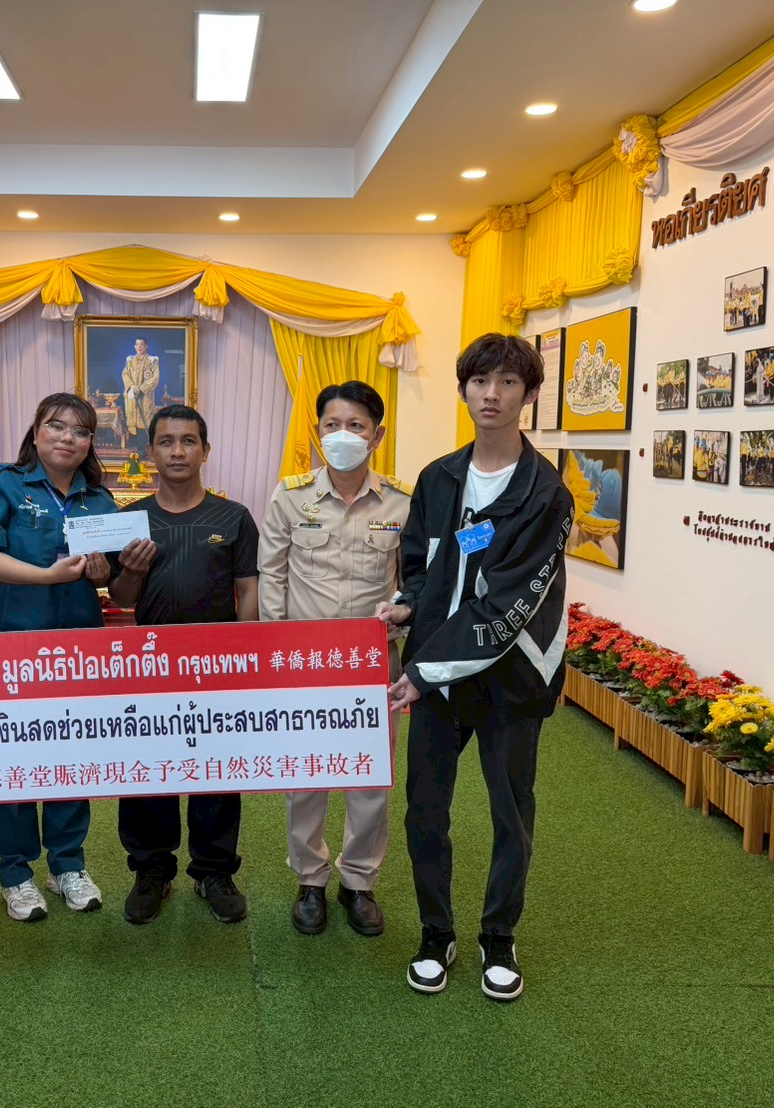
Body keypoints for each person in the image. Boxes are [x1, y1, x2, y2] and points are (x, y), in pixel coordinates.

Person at [378, 332, 574, 1000]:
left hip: (509, 676)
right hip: (436, 673)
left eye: (508, 382)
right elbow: (421, 560)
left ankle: (498, 936)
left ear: (529, 394)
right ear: (463, 389)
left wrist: (423, 669)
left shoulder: (545, 492)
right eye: (480, 381)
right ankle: (437, 933)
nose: (492, 395)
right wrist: (409, 602)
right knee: (425, 810)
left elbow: (507, 601)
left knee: (509, 813)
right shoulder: (439, 477)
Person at [258, 379, 411, 938]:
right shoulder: (290, 496)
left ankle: (359, 881)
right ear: (318, 431)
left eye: (356, 426)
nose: (343, 435)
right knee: (307, 776)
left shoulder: (401, 501)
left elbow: (414, 581)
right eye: (332, 425)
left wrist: (404, 617)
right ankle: (310, 879)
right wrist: (274, 654)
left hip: (373, 663)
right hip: (306, 663)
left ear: (377, 436)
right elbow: (271, 575)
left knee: (370, 778)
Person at [0, 392, 118, 922]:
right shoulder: (0, 485)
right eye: (57, 426)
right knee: (14, 760)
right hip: (13, 647)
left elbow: (113, 577)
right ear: (35, 432)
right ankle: (15, 871)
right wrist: (46, 577)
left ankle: (67, 863)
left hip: (79, 651)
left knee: (73, 757)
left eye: (81, 431)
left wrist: (103, 575)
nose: (68, 438)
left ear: (91, 442)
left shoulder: (100, 500)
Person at [107, 404, 259, 925]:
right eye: (167, 442)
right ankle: (152, 869)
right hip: (151, 667)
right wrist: (131, 571)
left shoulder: (233, 516)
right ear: (150, 451)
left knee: (215, 768)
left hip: (217, 667)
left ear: (205, 451)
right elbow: (122, 597)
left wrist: (243, 657)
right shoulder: (131, 520)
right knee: (148, 768)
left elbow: (247, 591)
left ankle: (214, 869)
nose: (178, 451)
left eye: (189, 441)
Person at [122, 337, 160, 440]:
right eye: (137, 344)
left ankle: (146, 446)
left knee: (145, 423)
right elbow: (125, 374)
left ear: (146, 346)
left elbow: (155, 378)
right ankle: (136, 446)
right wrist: (132, 386)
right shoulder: (130, 360)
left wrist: (141, 389)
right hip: (133, 396)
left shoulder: (152, 360)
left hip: (145, 397)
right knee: (133, 424)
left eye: (142, 344)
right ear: (134, 346)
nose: (139, 347)